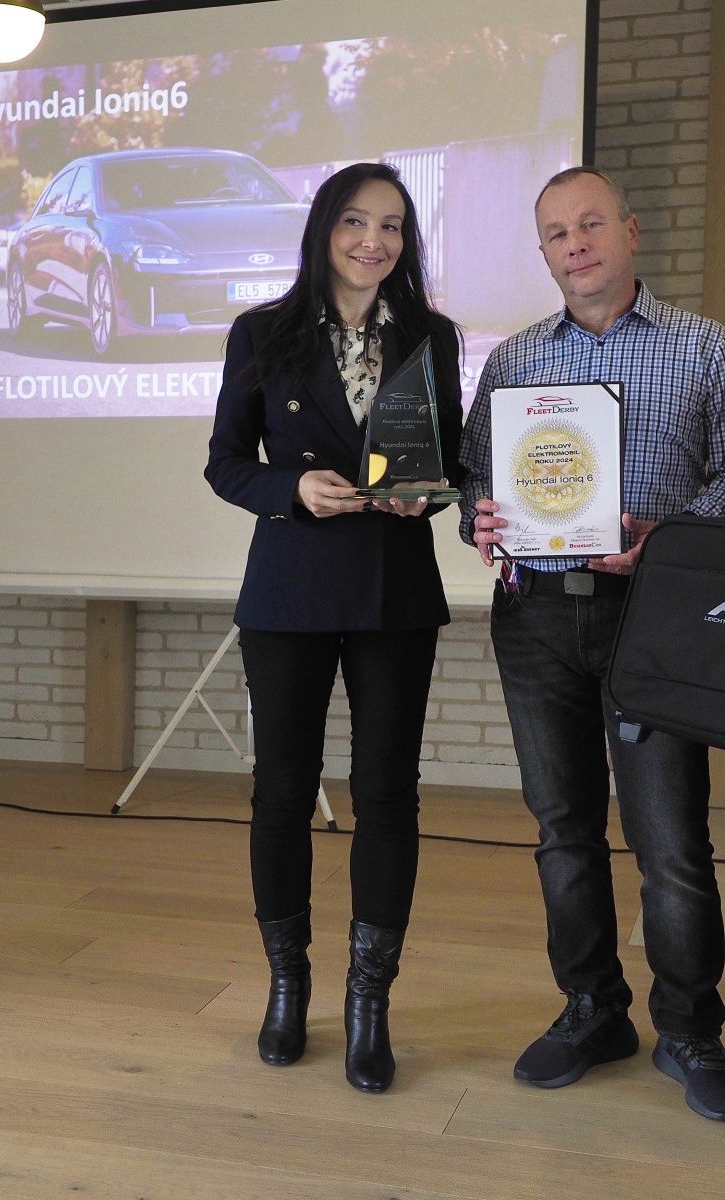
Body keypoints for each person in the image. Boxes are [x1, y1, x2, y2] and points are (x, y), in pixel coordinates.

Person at [458, 166, 725, 1122]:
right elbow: (474, 481)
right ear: (543, 253)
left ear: (630, 231)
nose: (575, 244)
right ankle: (593, 1008)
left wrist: (667, 538)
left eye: (590, 224)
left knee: (671, 840)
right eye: (556, 233)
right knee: (563, 834)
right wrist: (481, 518)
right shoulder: (512, 361)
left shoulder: (704, 346)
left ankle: (690, 1028)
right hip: (536, 617)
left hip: (655, 616)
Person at [205, 161, 463, 1094]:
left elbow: (449, 459)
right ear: (323, 230)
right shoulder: (262, 332)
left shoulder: (432, 335)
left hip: (395, 589)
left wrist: (427, 496)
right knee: (281, 792)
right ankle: (288, 987)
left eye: (391, 226)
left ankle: (369, 1001)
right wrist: (293, 489)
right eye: (356, 221)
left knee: (387, 795)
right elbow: (226, 463)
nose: (373, 241)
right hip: (290, 590)